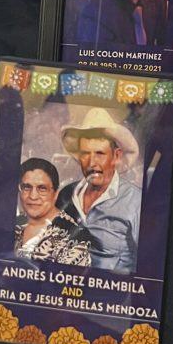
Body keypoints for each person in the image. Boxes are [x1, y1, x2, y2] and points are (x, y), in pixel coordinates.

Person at [57, 110, 142, 274]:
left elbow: (149, 265)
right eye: (85, 154)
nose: (92, 163)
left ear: (116, 156)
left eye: (100, 153)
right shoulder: (66, 195)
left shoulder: (135, 201)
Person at [14, 158, 92, 266]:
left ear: (55, 193)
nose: (33, 196)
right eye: (27, 187)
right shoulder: (13, 225)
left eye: (42, 189)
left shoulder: (74, 237)